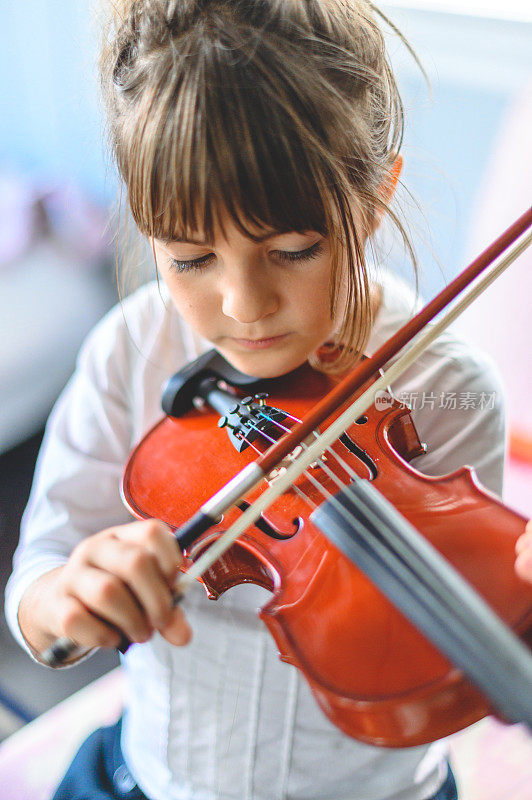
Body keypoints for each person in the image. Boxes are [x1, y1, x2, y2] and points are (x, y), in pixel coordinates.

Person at [4, 2, 526, 799]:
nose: (245, 305)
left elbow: (438, 651)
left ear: (377, 192)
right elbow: (38, 588)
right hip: (156, 779)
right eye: (188, 258)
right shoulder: (131, 355)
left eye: (293, 250)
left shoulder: (442, 391)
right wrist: (67, 597)